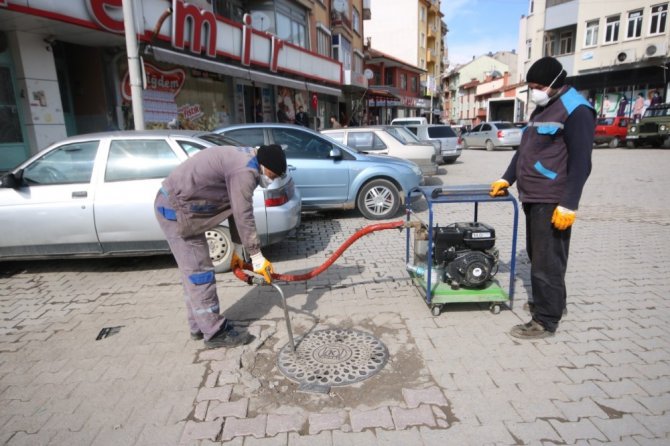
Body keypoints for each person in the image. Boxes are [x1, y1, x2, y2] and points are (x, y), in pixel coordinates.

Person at [489, 56, 595, 340]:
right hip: (533, 196)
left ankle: (546, 320)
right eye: (530, 86)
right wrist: (506, 178)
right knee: (539, 256)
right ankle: (551, 303)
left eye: (537, 86)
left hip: (552, 198)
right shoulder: (544, 108)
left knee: (548, 261)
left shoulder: (577, 110)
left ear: (553, 83)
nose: (533, 91)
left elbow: (582, 162)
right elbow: (524, 150)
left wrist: (569, 204)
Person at [154, 144, 287, 349]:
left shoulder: (247, 159)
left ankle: (199, 326)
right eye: (273, 175)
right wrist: (256, 255)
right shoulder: (245, 171)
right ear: (266, 166)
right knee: (200, 274)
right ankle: (214, 332)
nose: (272, 180)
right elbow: (243, 214)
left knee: (193, 273)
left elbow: (234, 209)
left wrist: (236, 249)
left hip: (183, 207)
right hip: (177, 210)